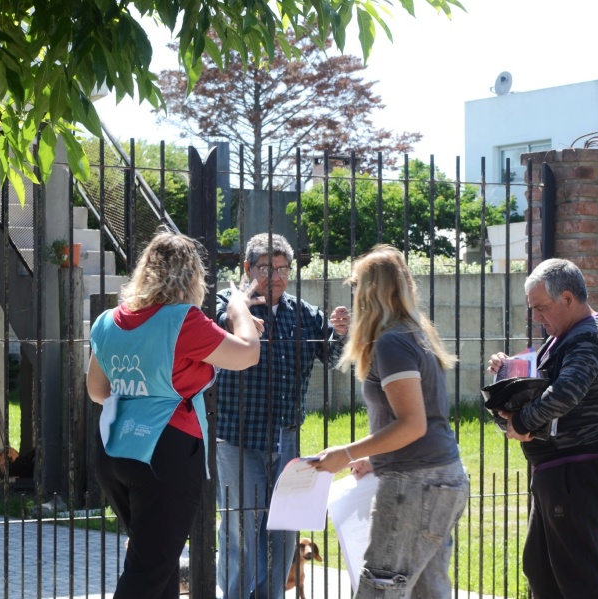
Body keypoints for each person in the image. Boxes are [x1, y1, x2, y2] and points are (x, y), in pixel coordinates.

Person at [86, 230, 262, 599]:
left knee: (159, 567)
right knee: (146, 575)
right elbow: (247, 352)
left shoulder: (107, 321)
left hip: (115, 450)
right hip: (165, 454)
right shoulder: (183, 320)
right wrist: (239, 310)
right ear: (192, 275)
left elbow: (98, 391)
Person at [310, 244, 469, 598]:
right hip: (440, 478)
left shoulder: (392, 343)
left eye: (355, 285)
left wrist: (347, 453)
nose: (351, 294)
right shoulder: (413, 332)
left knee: (379, 588)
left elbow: (413, 424)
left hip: (416, 484)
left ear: (371, 290)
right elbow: (420, 416)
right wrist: (374, 456)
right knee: (426, 591)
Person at [214, 232, 350, 599]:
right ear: (247, 268)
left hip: (285, 438)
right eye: (266, 268)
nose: (276, 276)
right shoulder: (225, 303)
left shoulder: (301, 313)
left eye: (283, 268)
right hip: (236, 437)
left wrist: (340, 334)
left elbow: (337, 359)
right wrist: (235, 317)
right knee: (242, 528)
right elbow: (207, 340)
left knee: (285, 530)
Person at [487, 258, 598, 599]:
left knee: (576, 579)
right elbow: (546, 382)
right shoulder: (569, 336)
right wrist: (509, 369)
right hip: (561, 472)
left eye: (541, 308)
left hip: (576, 472)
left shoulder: (589, 341)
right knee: (540, 569)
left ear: (568, 299)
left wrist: (521, 424)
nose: (537, 317)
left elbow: (565, 392)